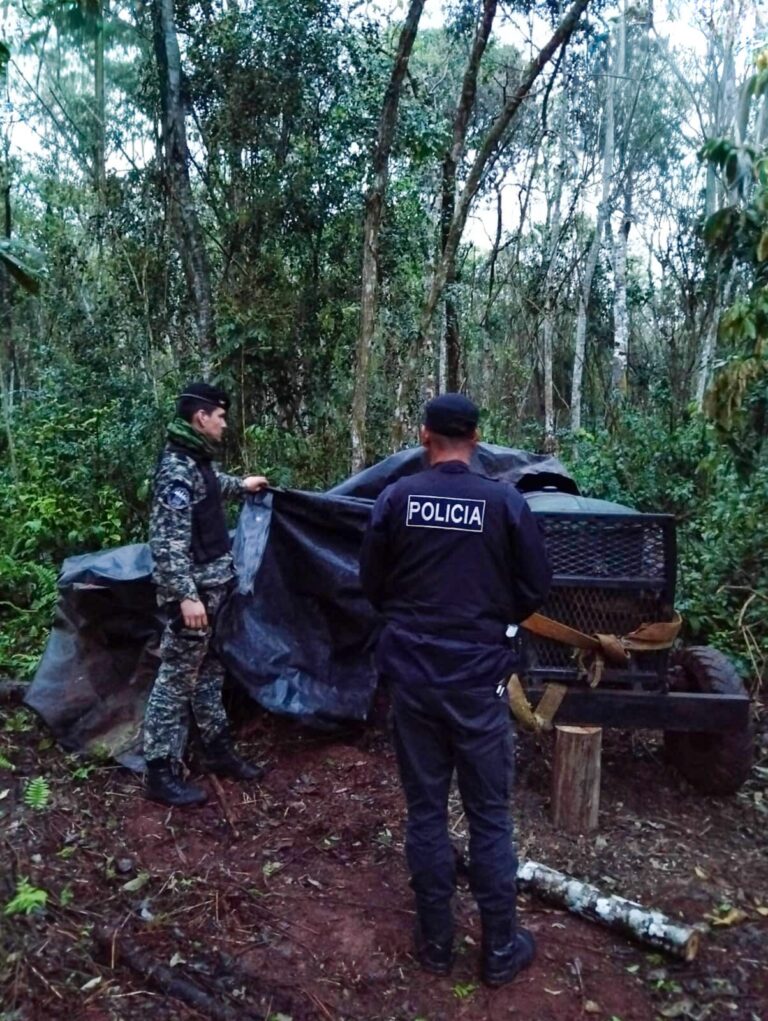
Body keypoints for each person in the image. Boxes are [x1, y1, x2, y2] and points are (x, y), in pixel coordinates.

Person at [359, 393, 552, 987]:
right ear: (476, 437)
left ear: (425, 436)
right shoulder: (504, 502)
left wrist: (416, 621)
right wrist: (489, 622)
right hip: (478, 683)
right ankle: (498, 950)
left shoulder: (395, 499)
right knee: (489, 818)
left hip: (414, 679)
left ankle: (437, 943)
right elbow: (536, 587)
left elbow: (370, 582)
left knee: (426, 812)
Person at [143, 381, 269, 807]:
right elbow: (167, 543)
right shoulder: (177, 469)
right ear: (201, 417)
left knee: (209, 673)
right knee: (176, 678)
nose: (224, 423)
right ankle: (159, 770)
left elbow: (212, 485)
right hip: (194, 598)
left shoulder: (196, 463)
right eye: (220, 416)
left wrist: (244, 484)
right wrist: (185, 596)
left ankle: (217, 749)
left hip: (213, 591)